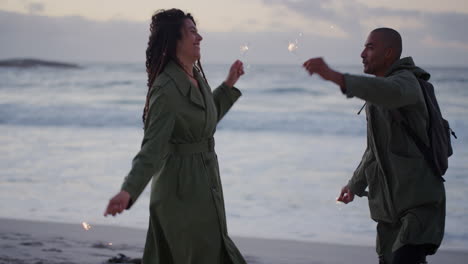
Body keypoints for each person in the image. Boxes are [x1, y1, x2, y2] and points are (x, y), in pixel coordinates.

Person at [104, 9, 247, 264]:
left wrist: (228, 85)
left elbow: (204, 120)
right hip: (180, 193)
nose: (199, 37)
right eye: (192, 32)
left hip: (204, 184)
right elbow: (152, 148)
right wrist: (128, 191)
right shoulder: (166, 89)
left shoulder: (194, 76)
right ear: (174, 41)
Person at [303, 28, 446, 264]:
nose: (362, 54)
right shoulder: (377, 94)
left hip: (418, 206)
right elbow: (374, 150)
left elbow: (390, 92)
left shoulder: (407, 83)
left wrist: (337, 77)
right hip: (388, 211)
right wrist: (355, 184)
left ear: (389, 53)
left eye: (370, 47)